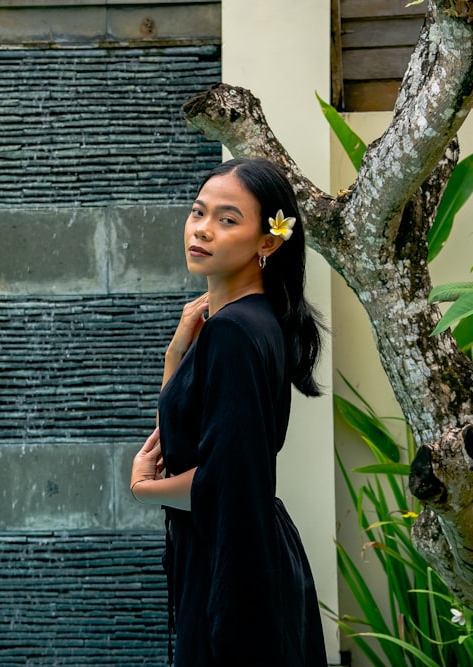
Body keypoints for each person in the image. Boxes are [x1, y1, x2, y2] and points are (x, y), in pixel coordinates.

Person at [129, 157, 328, 666]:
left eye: (227, 219)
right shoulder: (250, 321)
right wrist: (176, 355)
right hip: (243, 550)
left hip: (234, 569)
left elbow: (225, 481)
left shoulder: (235, 332)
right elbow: (191, 430)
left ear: (268, 242)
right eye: (199, 212)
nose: (203, 229)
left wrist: (145, 489)